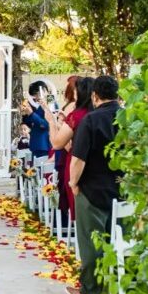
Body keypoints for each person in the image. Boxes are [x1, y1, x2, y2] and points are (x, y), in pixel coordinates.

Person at [66, 75, 121, 294]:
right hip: (123, 190)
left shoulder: (91, 120)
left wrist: (73, 183)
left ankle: (90, 289)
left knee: (91, 242)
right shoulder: (129, 118)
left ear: (95, 96)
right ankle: (118, 286)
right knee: (119, 239)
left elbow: (78, 160)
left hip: (93, 189)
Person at [42, 76, 94, 219]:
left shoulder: (76, 116)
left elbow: (58, 143)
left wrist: (52, 123)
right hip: (97, 169)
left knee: (80, 214)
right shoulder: (96, 114)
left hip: (75, 164)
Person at [21, 80, 51, 158]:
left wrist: (31, 114)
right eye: (34, 95)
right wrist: (24, 120)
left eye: (37, 94)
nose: (36, 98)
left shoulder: (50, 104)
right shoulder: (35, 105)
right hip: (35, 144)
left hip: (44, 145)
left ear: (43, 91)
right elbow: (30, 123)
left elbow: (46, 125)